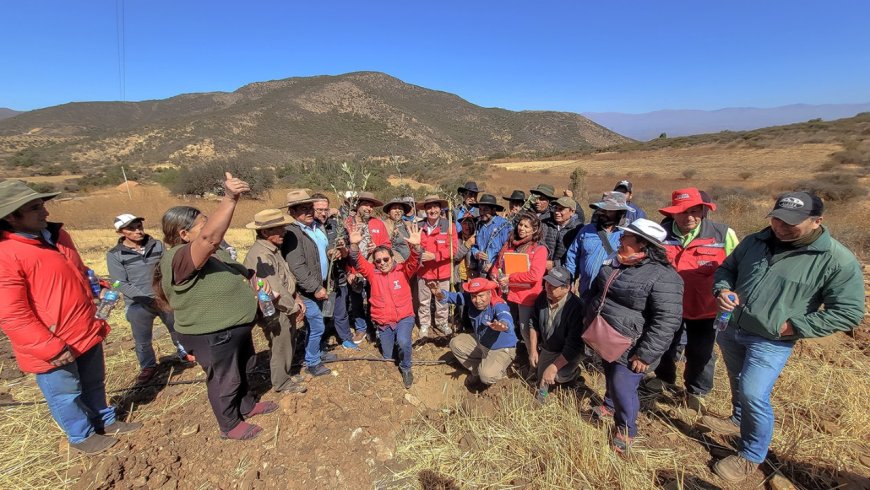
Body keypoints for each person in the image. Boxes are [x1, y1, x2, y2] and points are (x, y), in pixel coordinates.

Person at [703, 192, 864, 482]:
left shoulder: (836, 259)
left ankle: (751, 456)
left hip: (771, 340)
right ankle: (738, 418)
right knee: (736, 379)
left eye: (791, 223)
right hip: (732, 326)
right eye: (777, 219)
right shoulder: (756, 240)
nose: (780, 227)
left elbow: (848, 312)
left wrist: (793, 326)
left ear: (817, 221)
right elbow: (727, 269)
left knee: (754, 393)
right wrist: (723, 289)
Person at [0, 180, 141, 454]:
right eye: (35, 208)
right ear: (11, 216)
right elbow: (12, 313)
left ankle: (104, 420)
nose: (45, 212)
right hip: (52, 341)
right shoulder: (6, 254)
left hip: (85, 327)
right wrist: (49, 347)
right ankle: (81, 435)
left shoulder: (57, 236)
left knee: (94, 382)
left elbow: (79, 271)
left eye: (42, 205)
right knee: (66, 393)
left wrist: (98, 286)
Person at [154, 173, 277, 441]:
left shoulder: (215, 254)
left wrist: (257, 283)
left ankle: (246, 405)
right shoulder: (179, 259)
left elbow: (241, 271)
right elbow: (209, 239)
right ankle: (229, 424)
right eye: (204, 225)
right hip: (212, 334)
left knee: (244, 368)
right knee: (225, 379)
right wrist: (230, 198)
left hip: (235, 328)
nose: (211, 228)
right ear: (184, 234)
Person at [585, 218, 683, 454]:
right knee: (610, 374)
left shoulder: (664, 277)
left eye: (626, 236)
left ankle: (626, 429)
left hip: (633, 345)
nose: (620, 239)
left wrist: (645, 354)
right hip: (607, 335)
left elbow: (667, 321)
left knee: (623, 386)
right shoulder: (618, 261)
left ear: (642, 243)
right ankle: (610, 405)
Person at [650, 188, 739, 409]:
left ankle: (697, 391)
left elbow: (737, 267)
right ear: (673, 213)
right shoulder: (659, 234)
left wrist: (731, 294)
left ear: (703, 211)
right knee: (663, 345)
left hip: (705, 308)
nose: (689, 217)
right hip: (667, 305)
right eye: (682, 212)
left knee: (701, 352)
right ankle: (664, 378)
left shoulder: (722, 234)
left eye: (694, 211)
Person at [107, 213, 193, 386]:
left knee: (177, 327)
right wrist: (146, 299)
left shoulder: (157, 245)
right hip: (138, 303)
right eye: (131, 228)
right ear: (121, 232)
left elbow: (167, 267)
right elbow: (119, 282)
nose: (138, 231)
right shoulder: (115, 254)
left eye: (139, 226)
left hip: (163, 298)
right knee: (142, 339)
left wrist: (168, 291)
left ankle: (184, 352)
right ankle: (147, 366)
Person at [348, 222, 422, 388]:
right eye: (378, 261)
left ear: (392, 258)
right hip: (384, 320)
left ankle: (406, 367)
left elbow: (414, 261)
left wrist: (417, 248)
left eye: (386, 259)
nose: (382, 263)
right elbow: (357, 260)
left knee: (403, 341)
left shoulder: (403, 270)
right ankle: (390, 344)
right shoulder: (372, 273)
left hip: (404, 317)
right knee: (387, 357)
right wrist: (354, 245)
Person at [242, 208, 307, 394]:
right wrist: (293, 308)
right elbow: (274, 289)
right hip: (276, 309)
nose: (284, 232)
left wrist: (296, 297)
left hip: (285, 305)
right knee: (280, 344)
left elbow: (285, 280)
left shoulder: (271, 249)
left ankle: (285, 374)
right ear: (265, 232)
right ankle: (282, 382)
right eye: (279, 229)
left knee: (286, 342)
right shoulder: (261, 256)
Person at [283, 190, 339, 376]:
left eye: (309, 207)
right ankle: (312, 362)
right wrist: (315, 287)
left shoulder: (316, 227)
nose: (308, 212)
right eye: (302, 209)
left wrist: (332, 252)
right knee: (316, 325)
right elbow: (297, 267)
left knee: (319, 322)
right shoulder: (292, 233)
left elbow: (322, 250)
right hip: (306, 290)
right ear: (292, 212)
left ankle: (319, 352)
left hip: (321, 284)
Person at [429, 278, 517, 389]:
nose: (477, 300)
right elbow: (454, 297)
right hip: (482, 342)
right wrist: (439, 294)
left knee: (487, 376)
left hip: (499, 348)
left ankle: (501, 372)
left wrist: (503, 325)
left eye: (481, 296)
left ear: (489, 293)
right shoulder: (471, 299)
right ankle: (477, 372)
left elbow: (505, 316)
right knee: (455, 344)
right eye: (474, 296)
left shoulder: (498, 304)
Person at [492, 211, 548, 349]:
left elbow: (535, 275)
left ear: (534, 230)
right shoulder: (510, 245)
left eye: (526, 226)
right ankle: (508, 352)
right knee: (506, 324)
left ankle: (533, 357)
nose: (521, 228)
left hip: (526, 296)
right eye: (520, 224)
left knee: (525, 330)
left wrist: (510, 278)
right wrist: (494, 274)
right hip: (506, 292)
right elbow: (498, 264)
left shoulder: (539, 249)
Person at [528, 265, 585, 397]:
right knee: (542, 376)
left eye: (553, 285)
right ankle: (542, 396)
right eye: (547, 282)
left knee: (557, 375)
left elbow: (574, 346)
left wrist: (554, 367)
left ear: (567, 288)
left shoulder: (577, 308)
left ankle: (573, 374)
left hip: (570, 351)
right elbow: (533, 323)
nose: (548, 287)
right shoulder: (542, 298)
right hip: (550, 348)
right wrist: (533, 350)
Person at [312, 193, 357, 351]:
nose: (323, 213)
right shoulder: (307, 228)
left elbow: (346, 251)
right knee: (318, 313)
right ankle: (319, 341)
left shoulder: (336, 225)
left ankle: (345, 338)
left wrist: (341, 250)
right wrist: (327, 254)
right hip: (318, 280)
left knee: (340, 309)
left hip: (338, 276)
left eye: (325, 209)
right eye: (319, 210)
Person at [344, 191, 390, 342]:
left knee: (374, 299)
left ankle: (373, 326)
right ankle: (361, 328)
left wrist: (378, 248)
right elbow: (342, 251)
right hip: (354, 270)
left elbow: (387, 245)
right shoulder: (347, 223)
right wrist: (349, 271)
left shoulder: (377, 223)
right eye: (365, 204)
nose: (369, 208)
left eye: (371, 206)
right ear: (357, 205)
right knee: (356, 300)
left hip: (374, 270)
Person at [564, 191, 629, 297]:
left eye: (609, 211)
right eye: (602, 209)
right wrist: (568, 280)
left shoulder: (626, 235)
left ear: (620, 213)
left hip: (610, 296)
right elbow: (572, 257)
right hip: (585, 292)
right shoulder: (587, 230)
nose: (603, 213)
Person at [416, 195, 458, 337]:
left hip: (442, 271)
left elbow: (453, 249)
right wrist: (419, 253)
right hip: (424, 271)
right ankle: (424, 324)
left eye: (435, 207)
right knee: (424, 301)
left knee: (441, 299)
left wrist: (435, 256)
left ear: (440, 209)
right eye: (429, 207)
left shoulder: (449, 225)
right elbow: (413, 246)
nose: (432, 210)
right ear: (425, 210)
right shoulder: (418, 226)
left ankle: (441, 322)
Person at [470, 194, 511, 276]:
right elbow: (475, 245)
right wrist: (476, 253)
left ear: (493, 210)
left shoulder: (504, 225)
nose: (482, 212)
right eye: (480, 209)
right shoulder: (479, 225)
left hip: (497, 272)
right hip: (481, 271)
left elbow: (507, 250)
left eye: (485, 210)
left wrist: (494, 264)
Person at [543, 196, 584, 270]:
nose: (556, 212)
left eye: (561, 209)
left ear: (572, 212)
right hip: (541, 266)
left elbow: (577, 255)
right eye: (556, 208)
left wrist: (555, 264)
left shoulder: (578, 229)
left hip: (564, 271)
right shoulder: (545, 224)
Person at [382, 197, 412, 262]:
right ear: (389, 212)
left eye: (400, 208)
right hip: (393, 262)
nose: (398, 211)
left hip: (409, 262)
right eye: (394, 208)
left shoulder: (408, 225)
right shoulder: (383, 225)